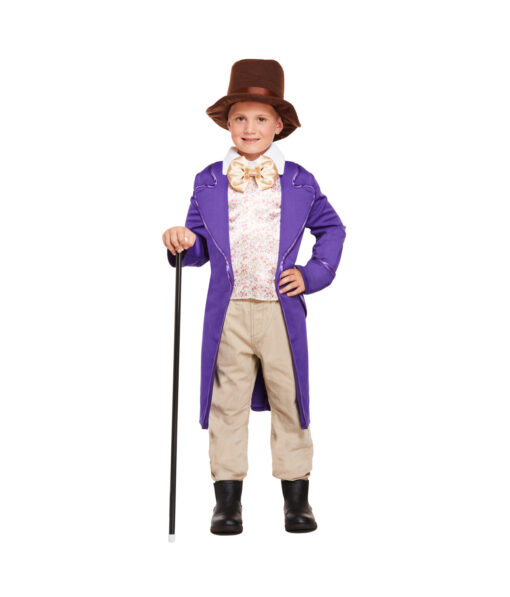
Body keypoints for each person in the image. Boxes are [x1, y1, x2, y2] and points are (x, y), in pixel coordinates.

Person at [162, 59, 347, 535]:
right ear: (227, 122)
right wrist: (183, 241)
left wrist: (312, 273)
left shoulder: (299, 180)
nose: (250, 128)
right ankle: (227, 503)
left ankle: (297, 500)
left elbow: (331, 229)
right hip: (229, 315)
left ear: (278, 124)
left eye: (261, 118)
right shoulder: (208, 180)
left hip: (280, 313)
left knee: (290, 399)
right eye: (240, 118)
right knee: (227, 404)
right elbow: (200, 249)